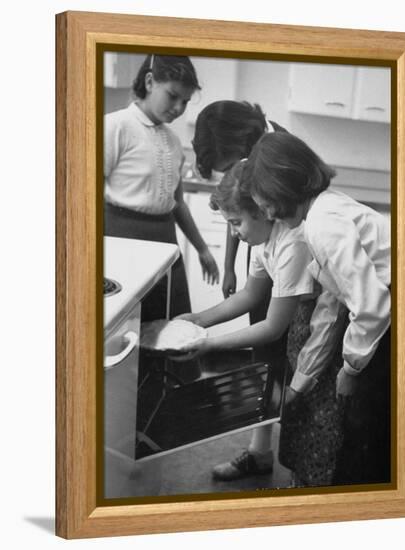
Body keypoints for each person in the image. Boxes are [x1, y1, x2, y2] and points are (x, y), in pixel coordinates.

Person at [176, 161, 344, 486]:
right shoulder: (262, 239)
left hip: (330, 328)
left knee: (319, 415)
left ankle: (315, 494)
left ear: (263, 212)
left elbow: (272, 327)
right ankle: (298, 480)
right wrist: (199, 321)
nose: (235, 233)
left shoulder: (293, 241)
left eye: (236, 223)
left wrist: (205, 343)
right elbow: (251, 295)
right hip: (303, 327)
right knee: (299, 414)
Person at [246, 131, 391, 485]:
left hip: (396, 316)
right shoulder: (322, 210)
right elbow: (332, 301)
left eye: (263, 200)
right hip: (388, 314)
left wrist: (351, 369)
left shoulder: (324, 223)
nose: (264, 211)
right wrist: (304, 378)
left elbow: (371, 305)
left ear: (282, 184)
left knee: (369, 434)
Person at [192, 101, 289, 479]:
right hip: (262, 254)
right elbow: (238, 212)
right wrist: (231, 264)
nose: (231, 167)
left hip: (288, 263)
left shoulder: (278, 151)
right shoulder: (246, 168)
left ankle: (282, 455)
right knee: (265, 357)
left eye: (229, 160)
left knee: (283, 358)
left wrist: (210, 341)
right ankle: (260, 451)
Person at [104, 54, 219, 322]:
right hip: (122, 240)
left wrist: (202, 249)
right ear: (149, 82)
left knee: (170, 324)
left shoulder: (173, 141)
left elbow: (177, 203)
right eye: (172, 96)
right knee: (128, 326)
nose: (179, 107)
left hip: (166, 241)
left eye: (186, 101)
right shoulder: (115, 126)